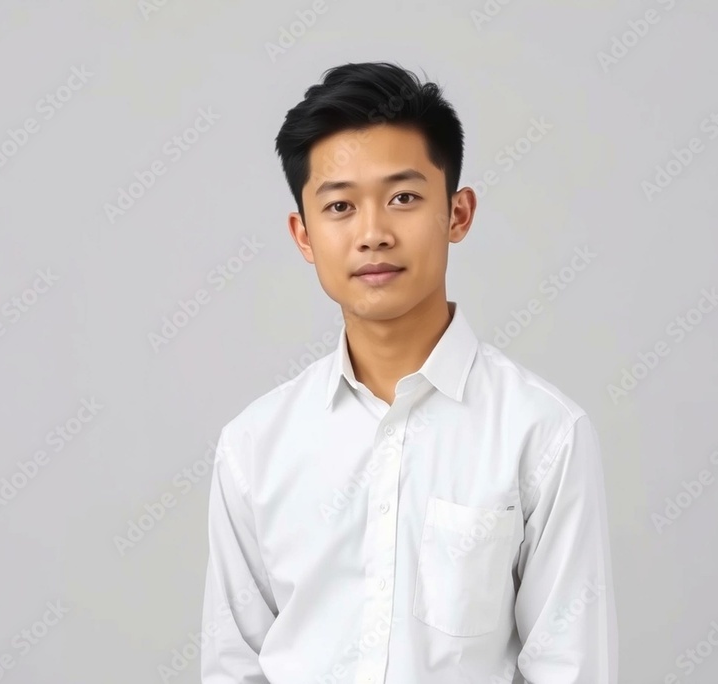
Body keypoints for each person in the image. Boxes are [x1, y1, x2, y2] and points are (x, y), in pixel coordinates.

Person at [200, 61, 617, 684]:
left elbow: (571, 667)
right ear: (304, 235)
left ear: (458, 213)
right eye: (339, 205)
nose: (373, 234)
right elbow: (235, 669)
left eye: (403, 198)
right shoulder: (254, 446)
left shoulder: (543, 435)